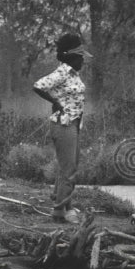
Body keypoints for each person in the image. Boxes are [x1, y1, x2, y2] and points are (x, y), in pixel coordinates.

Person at [33, 32, 91, 224]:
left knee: (68, 166)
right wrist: (55, 102)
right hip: (63, 124)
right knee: (69, 168)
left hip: (73, 123)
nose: (83, 60)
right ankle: (61, 210)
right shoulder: (63, 71)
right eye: (80, 57)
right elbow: (39, 85)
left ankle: (63, 207)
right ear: (72, 57)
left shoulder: (73, 73)